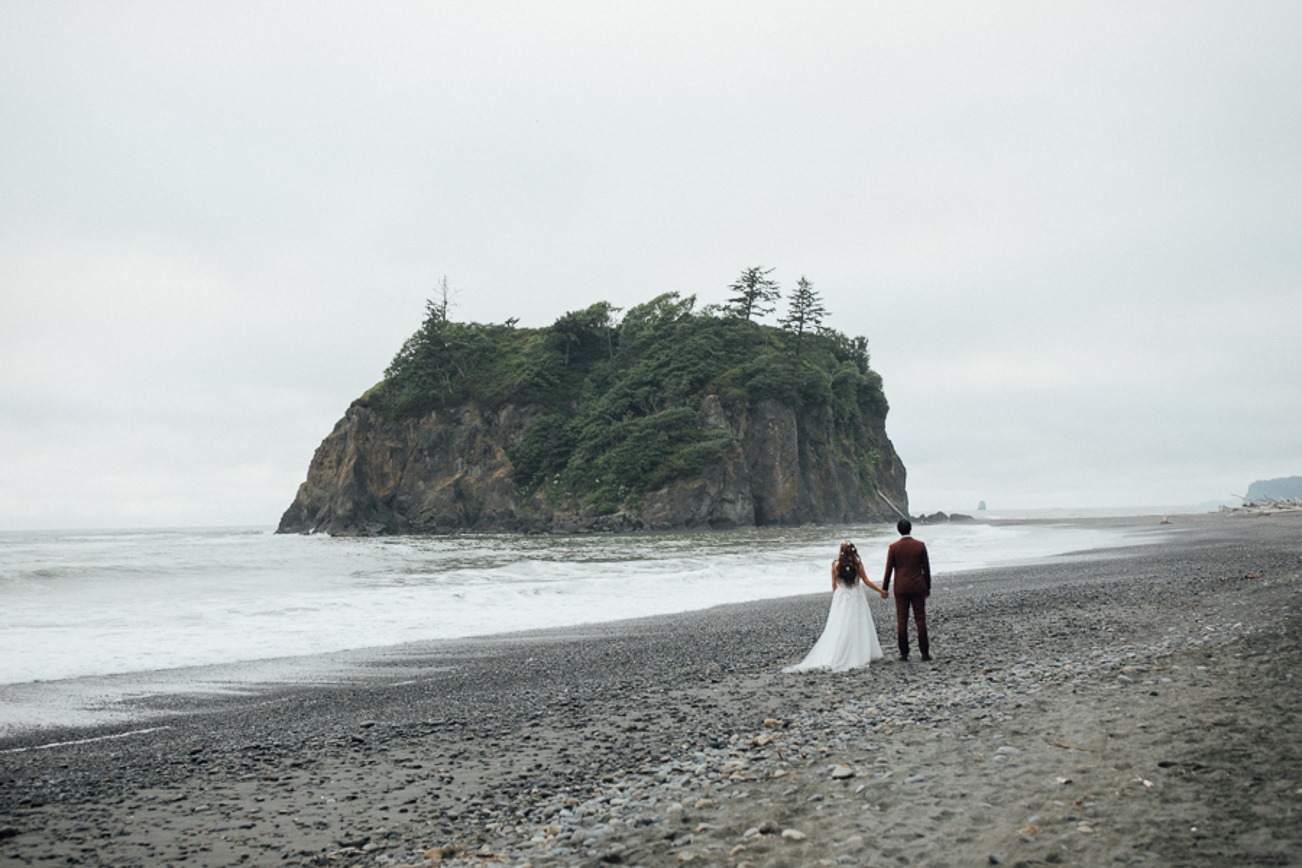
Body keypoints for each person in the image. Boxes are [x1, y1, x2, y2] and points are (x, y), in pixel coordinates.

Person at [783, 541, 888, 672]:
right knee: (858, 625)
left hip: (842, 597)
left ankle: (839, 651)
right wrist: (881, 591)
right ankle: (859, 651)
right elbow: (866, 581)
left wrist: (839, 595)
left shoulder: (835, 564)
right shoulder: (857, 564)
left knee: (839, 625)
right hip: (856, 597)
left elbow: (833, 585)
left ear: (841, 551)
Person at [882, 518, 932, 661]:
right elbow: (926, 569)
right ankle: (924, 652)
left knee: (902, 619)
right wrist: (927, 587)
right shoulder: (920, 546)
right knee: (920, 619)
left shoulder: (893, 547)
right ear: (910, 529)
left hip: (901, 587)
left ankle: (904, 653)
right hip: (917, 585)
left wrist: (884, 588)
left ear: (899, 530)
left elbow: (889, 569)